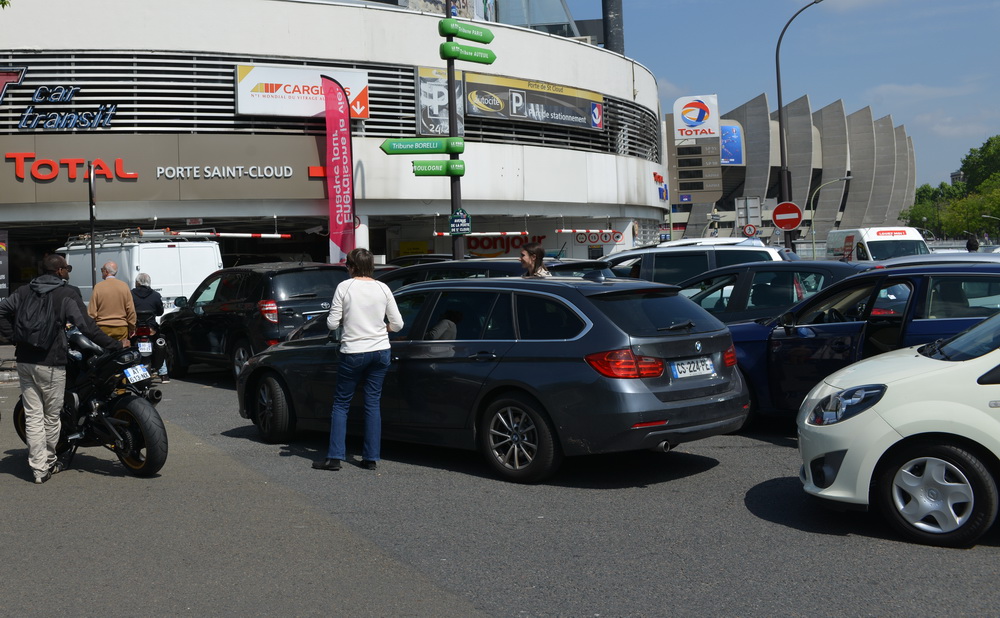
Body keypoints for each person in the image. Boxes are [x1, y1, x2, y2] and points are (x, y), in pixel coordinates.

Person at [0, 254, 121, 484]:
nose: (68, 272)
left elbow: (1, 311)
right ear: (59, 271)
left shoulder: (24, 291)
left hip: (25, 361)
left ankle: (38, 469)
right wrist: (114, 345)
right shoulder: (66, 293)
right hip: (51, 362)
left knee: (33, 416)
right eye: (68, 268)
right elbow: (87, 327)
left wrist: (14, 337)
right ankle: (48, 461)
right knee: (51, 417)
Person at [313, 248, 403, 472]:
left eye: (348, 266)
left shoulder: (345, 287)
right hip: (381, 350)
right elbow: (398, 324)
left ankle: (334, 458)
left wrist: (347, 320)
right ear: (371, 266)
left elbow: (332, 324)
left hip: (354, 351)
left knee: (342, 403)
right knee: (372, 403)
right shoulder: (383, 288)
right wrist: (383, 328)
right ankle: (370, 458)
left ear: (351, 266)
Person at [131, 272, 169, 383]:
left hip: (136, 328)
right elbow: (160, 312)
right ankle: (164, 374)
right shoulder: (156, 295)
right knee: (159, 344)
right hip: (151, 328)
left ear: (137, 282)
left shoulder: (131, 294)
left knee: (130, 347)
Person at [88, 261, 136, 344]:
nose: (102, 272)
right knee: (121, 353)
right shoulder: (124, 286)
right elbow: (131, 310)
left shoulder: (98, 287)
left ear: (106, 272)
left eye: (102, 270)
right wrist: (132, 327)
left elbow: (92, 312)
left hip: (103, 328)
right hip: (121, 328)